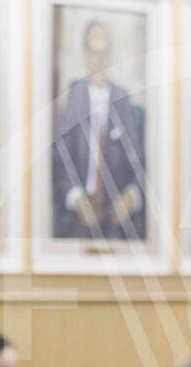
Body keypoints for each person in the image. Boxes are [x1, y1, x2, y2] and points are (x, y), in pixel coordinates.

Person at [51, 19, 145, 240]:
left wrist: (131, 196)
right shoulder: (74, 97)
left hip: (115, 217)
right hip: (76, 217)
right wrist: (76, 198)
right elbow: (59, 159)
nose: (99, 60)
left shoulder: (122, 100)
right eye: (93, 52)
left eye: (104, 53)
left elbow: (138, 161)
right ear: (85, 55)